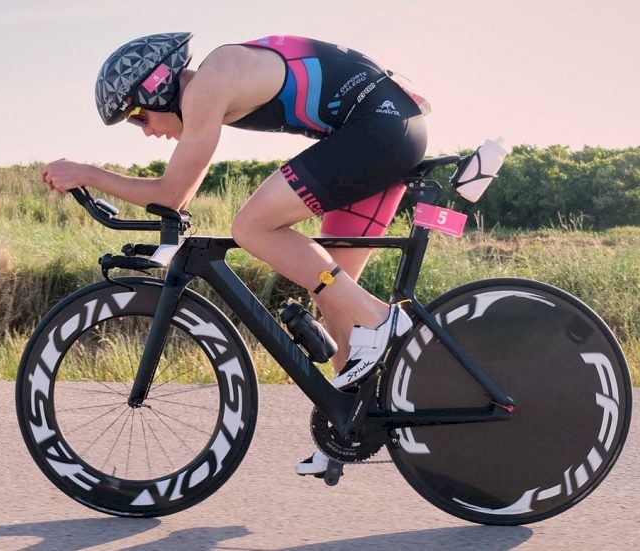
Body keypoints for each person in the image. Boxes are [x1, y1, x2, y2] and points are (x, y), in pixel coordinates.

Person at [41, 33, 429, 476]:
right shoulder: (214, 89)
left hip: (379, 128)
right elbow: (177, 195)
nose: (146, 130)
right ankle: (350, 425)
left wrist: (87, 173)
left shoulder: (208, 85)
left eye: (137, 115)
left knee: (250, 227)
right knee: (335, 294)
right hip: (382, 129)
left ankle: (382, 320)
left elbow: (171, 194)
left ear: (157, 85)